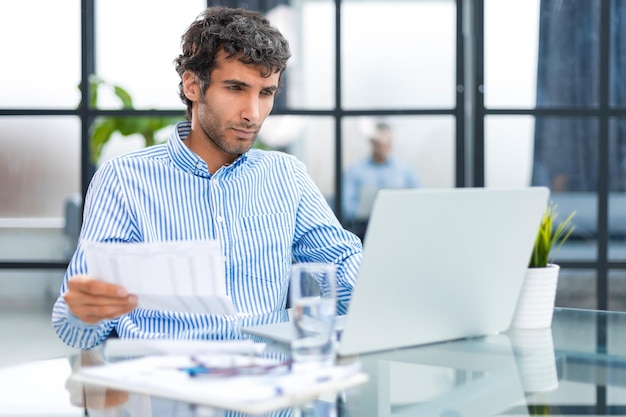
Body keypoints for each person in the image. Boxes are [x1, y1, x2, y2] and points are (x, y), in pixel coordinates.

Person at [52, 6, 362, 349]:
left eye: (266, 92)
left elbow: (342, 263)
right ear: (192, 86)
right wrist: (84, 310)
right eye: (235, 88)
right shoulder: (124, 180)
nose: (253, 113)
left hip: (266, 386)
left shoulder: (286, 175)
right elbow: (76, 331)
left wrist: (395, 288)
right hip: (165, 387)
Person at [343, 123, 420, 239]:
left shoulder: (405, 171)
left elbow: (419, 199)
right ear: (372, 143)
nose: (383, 147)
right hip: (365, 230)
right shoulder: (355, 171)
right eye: (380, 144)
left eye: (387, 143)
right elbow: (347, 207)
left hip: (401, 228)